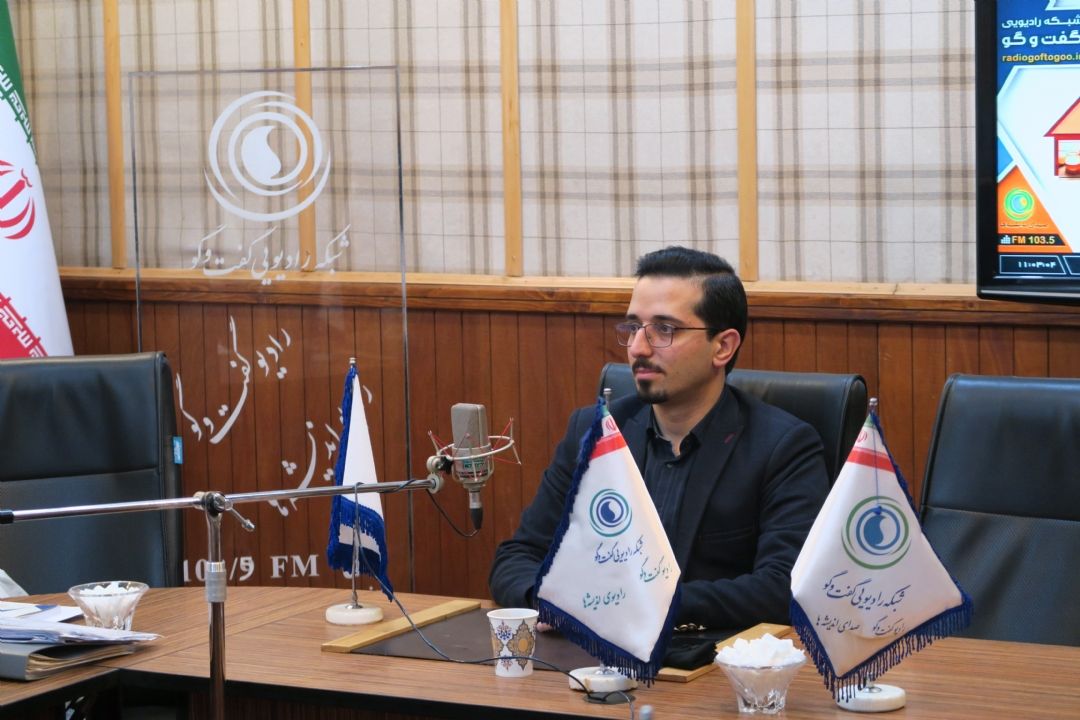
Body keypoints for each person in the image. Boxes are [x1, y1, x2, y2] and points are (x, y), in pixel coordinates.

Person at [489, 246, 829, 632]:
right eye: (633, 327)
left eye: (664, 330)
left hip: (708, 656)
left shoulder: (783, 446)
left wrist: (642, 605)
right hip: (586, 650)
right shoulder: (594, 431)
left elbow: (783, 586)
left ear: (722, 346)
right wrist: (551, 602)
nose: (638, 348)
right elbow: (518, 557)